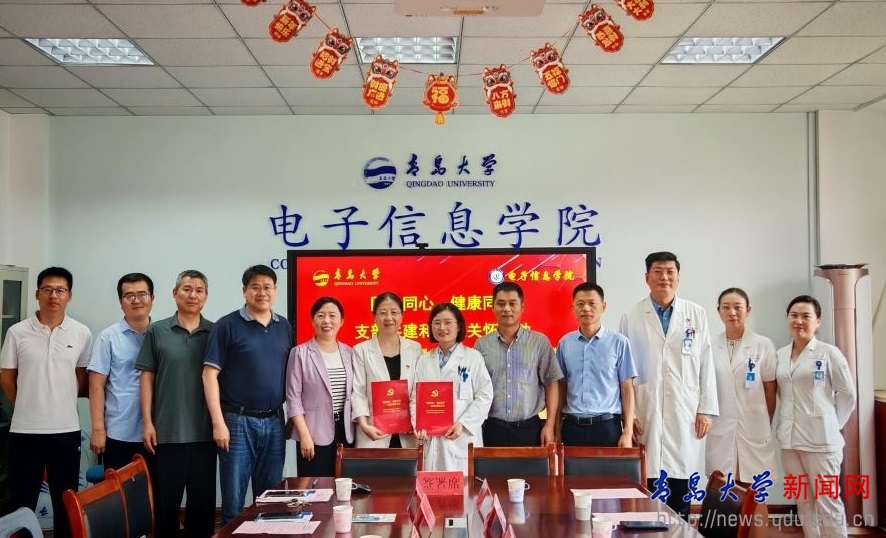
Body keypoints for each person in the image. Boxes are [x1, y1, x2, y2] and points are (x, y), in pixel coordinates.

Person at [619, 251, 718, 520]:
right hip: (646, 410)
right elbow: (624, 373)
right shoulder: (632, 316)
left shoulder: (695, 314)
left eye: (670, 272)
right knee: (648, 485)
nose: (664, 277)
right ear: (647, 277)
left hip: (686, 410)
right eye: (658, 272)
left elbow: (706, 362)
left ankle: (680, 530)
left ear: (678, 276)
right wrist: (629, 416)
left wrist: (706, 410)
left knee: (680, 483)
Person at [0, 267, 92, 538]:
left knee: (66, 500)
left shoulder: (81, 333)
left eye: (60, 290)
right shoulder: (17, 332)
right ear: (37, 293)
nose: (54, 295)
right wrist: (25, 404)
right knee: (22, 502)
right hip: (25, 430)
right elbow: (7, 377)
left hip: (66, 430)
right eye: (47, 289)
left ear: (69, 295)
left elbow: (80, 377)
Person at [203, 264, 294, 524]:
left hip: (274, 421)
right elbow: (209, 375)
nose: (262, 293)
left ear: (275, 291)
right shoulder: (227, 325)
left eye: (267, 287)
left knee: (271, 499)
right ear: (244, 291)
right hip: (237, 421)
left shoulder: (284, 327)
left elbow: (291, 375)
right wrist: (218, 423)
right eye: (255, 287)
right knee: (234, 501)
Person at [136, 270, 216, 538]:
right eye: (187, 289)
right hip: (166, 433)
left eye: (199, 290)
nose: (193, 295)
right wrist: (147, 422)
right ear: (174, 293)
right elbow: (146, 377)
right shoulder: (157, 331)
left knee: (202, 508)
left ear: (206, 296)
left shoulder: (215, 332)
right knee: (165, 506)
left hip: (205, 433)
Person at [776, 295, 856, 538]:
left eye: (805, 316)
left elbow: (848, 394)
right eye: (794, 315)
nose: (798, 321)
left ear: (818, 321)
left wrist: (831, 424)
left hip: (821, 443)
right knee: (803, 500)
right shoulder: (780, 354)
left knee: (827, 501)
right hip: (790, 441)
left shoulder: (829, 353)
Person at [475, 282, 562, 447]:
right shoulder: (482, 345)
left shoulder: (539, 342)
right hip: (493, 428)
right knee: (490, 466)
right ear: (492, 307)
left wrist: (550, 424)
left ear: (522, 307)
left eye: (512, 303)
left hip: (530, 429)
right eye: (501, 304)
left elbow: (551, 383)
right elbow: (477, 388)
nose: (506, 309)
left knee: (532, 466)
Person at [705, 288, 777, 483]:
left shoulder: (763, 345)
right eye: (726, 307)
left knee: (753, 489)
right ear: (719, 311)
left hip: (754, 427)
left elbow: (770, 389)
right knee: (722, 489)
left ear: (748, 310)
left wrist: (763, 420)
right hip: (721, 428)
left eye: (738, 307)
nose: (732, 312)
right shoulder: (710, 346)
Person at [413, 303, 493, 474]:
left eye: (448, 322)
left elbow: (485, 396)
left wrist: (463, 424)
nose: (442, 327)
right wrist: (418, 426)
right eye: (437, 323)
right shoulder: (423, 360)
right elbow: (415, 398)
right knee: (432, 485)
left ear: (459, 326)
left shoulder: (473, 357)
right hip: (431, 440)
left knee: (463, 488)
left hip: (461, 440)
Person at [86, 272, 155, 471]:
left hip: (157, 431)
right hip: (119, 432)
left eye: (142, 294)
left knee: (155, 489)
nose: (136, 300)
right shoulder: (108, 337)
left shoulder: (162, 335)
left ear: (152, 298)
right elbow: (96, 386)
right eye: (129, 295)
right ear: (120, 302)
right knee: (119, 488)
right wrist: (98, 429)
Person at [557, 282, 636, 447]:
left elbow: (627, 388)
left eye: (592, 303)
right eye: (580, 304)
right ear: (573, 308)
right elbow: (561, 387)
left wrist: (628, 431)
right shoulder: (565, 343)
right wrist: (556, 427)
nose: (586, 308)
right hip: (572, 427)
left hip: (607, 427)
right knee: (570, 466)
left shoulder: (619, 343)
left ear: (603, 306)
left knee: (607, 467)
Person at [286, 296, 355, 477]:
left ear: (341, 321)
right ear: (312, 320)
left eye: (332, 315)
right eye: (321, 315)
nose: (326, 320)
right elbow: (293, 398)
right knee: (315, 486)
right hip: (313, 432)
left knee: (345, 485)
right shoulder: (299, 353)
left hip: (346, 431)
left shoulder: (350, 353)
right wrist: (304, 436)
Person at [352, 292, 422, 448]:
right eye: (383, 313)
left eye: (394, 312)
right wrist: (364, 425)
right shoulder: (361, 350)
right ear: (374, 317)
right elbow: (358, 391)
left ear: (402, 316)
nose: (389, 318)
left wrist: (416, 421)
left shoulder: (415, 348)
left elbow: (418, 390)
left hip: (408, 432)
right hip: (373, 431)